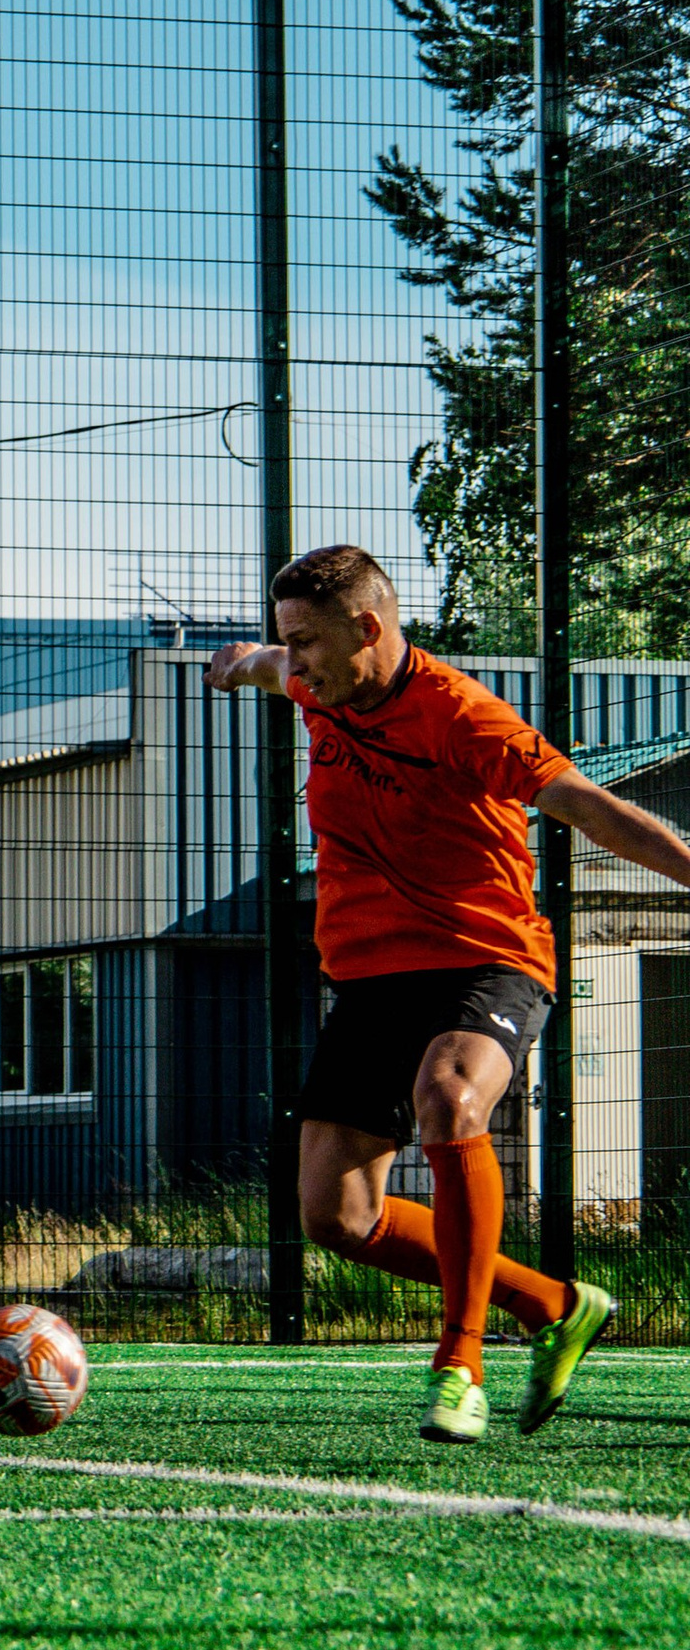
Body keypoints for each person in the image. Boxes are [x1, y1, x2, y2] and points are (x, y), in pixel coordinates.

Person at [206, 544, 690, 1442]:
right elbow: (266, 667)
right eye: (288, 641)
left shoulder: (465, 718)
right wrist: (238, 666)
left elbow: (588, 806)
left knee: (450, 1097)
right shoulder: (313, 681)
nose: (296, 657)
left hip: (486, 957)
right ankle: (554, 1304)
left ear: (369, 629)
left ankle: (461, 1363)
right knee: (337, 1218)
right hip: (372, 976)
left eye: (308, 641)